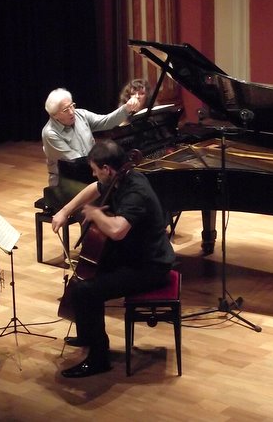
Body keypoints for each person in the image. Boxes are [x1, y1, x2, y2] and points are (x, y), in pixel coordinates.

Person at [51, 139, 175, 378]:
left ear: (107, 169)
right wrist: (65, 211)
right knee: (84, 278)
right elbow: (93, 188)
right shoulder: (119, 178)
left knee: (86, 291)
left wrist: (95, 214)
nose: (93, 174)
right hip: (134, 254)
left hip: (151, 266)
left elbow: (118, 230)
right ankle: (88, 335)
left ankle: (99, 358)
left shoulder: (136, 190)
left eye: (95, 170)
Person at [41, 87, 141, 188]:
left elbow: (106, 121)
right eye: (66, 110)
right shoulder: (50, 133)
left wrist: (126, 108)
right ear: (54, 115)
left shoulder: (81, 115)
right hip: (68, 180)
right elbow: (75, 161)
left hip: (90, 170)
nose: (71, 112)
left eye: (72, 106)